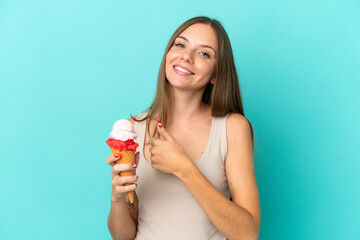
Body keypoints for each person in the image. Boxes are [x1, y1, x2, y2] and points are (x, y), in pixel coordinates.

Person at [105, 16, 261, 240]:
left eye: (204, 53)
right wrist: (117, 198)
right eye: (180, 44)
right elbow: (124, 236)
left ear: (216, 74)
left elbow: (247, 234)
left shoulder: (232, 128)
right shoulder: (132, 130)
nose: (186, 57)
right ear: (168, 54)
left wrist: (184, 168)